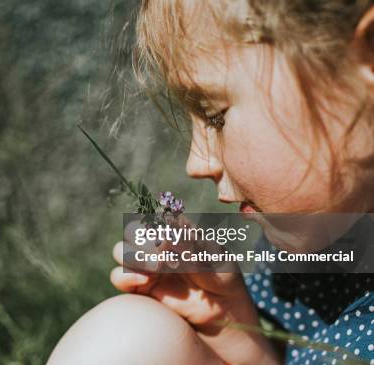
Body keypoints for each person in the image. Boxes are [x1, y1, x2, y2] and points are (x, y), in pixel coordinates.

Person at [47, 1, 374, 364]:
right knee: (132, 335)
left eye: (216, 117)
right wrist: (234, 327)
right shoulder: (319, 249)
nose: (196, 163)